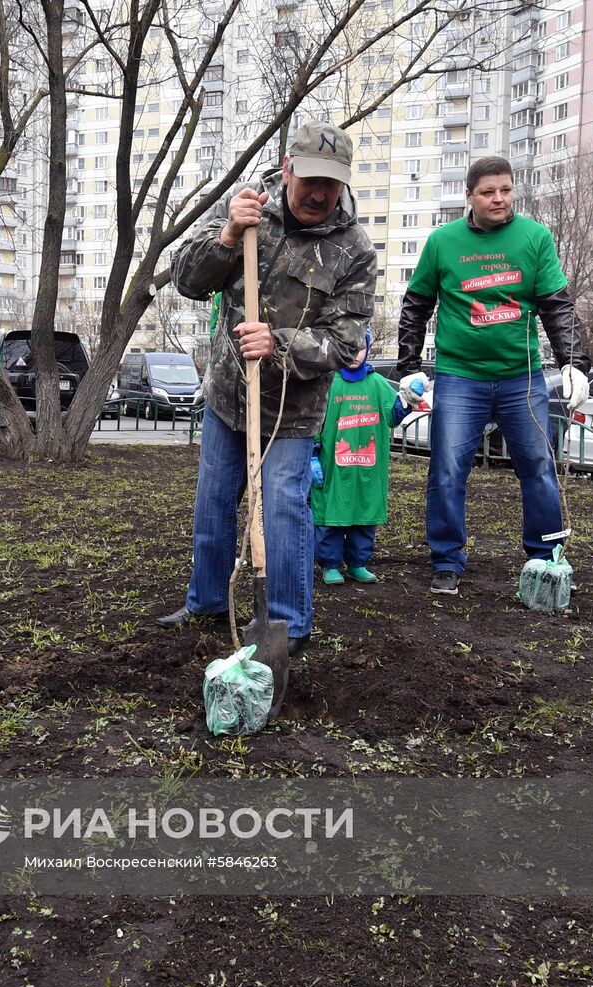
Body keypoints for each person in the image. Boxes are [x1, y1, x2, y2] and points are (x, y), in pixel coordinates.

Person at [158, 120, 375, 655]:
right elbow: (187, 281)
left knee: (282, 509)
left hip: (293, 412)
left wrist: (277, 342)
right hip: (229, 398)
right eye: (311, 180)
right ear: (288, 170)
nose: (321, 194)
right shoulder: (248, 213)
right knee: (213, 503)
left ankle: (287, 624)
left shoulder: (354, 250)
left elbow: (346, 344)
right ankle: (206, 602)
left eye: (333, 183)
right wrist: (229, 236)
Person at [394, 156, 589, 596]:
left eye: (505, 189)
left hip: (523, 378)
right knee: (446, 470)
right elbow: (415, 306)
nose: (498, 198)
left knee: (538, 466)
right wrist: (409, 367)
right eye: (488, 191)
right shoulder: (443, 242)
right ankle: (446, 560)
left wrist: (573, 361)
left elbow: (557, 304)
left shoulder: (535, 238)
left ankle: (545, 558)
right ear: (470, 196)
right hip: (460, 378)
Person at [311, 332, 413, 585]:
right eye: (349, 347)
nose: (355, 354)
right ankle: (330, 564)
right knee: (330, 517)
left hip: (368, 468)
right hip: (332, 467)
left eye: (360, 348)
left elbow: (392, 416)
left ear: (368, 350)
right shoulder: (328, 382)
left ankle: (358, 563)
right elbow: (313, 420)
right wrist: (312, 455)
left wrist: (408, 400)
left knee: (364, 515)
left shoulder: (378, 384)